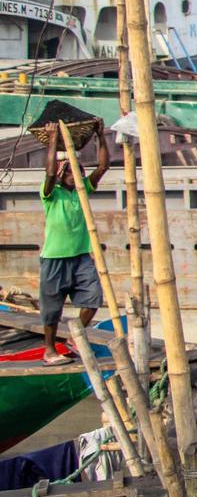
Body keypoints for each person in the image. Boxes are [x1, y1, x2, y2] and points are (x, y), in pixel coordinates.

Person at [39, 127, 109, 365]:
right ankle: (49, 350)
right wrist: (52, 141)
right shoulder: (52, 193)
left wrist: (101, 136)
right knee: (52, 309)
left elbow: (102, 168)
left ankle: (74, 337)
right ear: (61, 174)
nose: (76, 175)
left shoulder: (82, 191)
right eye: (70, 172)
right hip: (54, 258)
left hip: (81, 257)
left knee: (93, 298)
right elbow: (49, 173)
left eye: (78, 171)